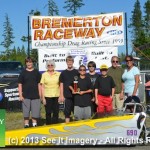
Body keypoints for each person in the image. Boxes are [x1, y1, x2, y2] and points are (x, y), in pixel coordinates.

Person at [18, 57, 41, 128]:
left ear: (32, 63)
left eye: (30, 62)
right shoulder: (22, 73)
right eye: (27, 62)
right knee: (26, 113)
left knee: (35, 112)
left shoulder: (37, 72)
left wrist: (40, 95)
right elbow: (20, 84)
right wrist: (20, 95)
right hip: (25, 96)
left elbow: (39, 84)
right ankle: (26, 125)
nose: (29, 63)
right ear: (25, 63)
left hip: (35, 96)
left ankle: (34, 124)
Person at [59, 56, 78, 123]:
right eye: (68, 61)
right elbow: (61, 84)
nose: (69, 63)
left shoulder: (77, 72)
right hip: (67, 96)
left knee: (76, 113)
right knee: (67, 113)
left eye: (71, 61)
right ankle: (67, 126)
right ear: (66, 62)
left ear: (73, 62)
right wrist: (61, 95)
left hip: (76, 96)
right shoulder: (63, 73)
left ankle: (77, 126)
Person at [40, 60, 60, 125]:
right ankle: (48, 126)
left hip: (56, 95)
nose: (50, 66)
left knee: (56, 112)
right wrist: (43, 98)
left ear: (54, 66)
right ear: (46, 66)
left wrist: (61, 95)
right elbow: (42, 87)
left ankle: (55, 125)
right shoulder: (44, 74)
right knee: (48, 112)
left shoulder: (58, 74)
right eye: (48, 65)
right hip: (47, 96)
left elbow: (61, 85)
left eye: (51, 65)